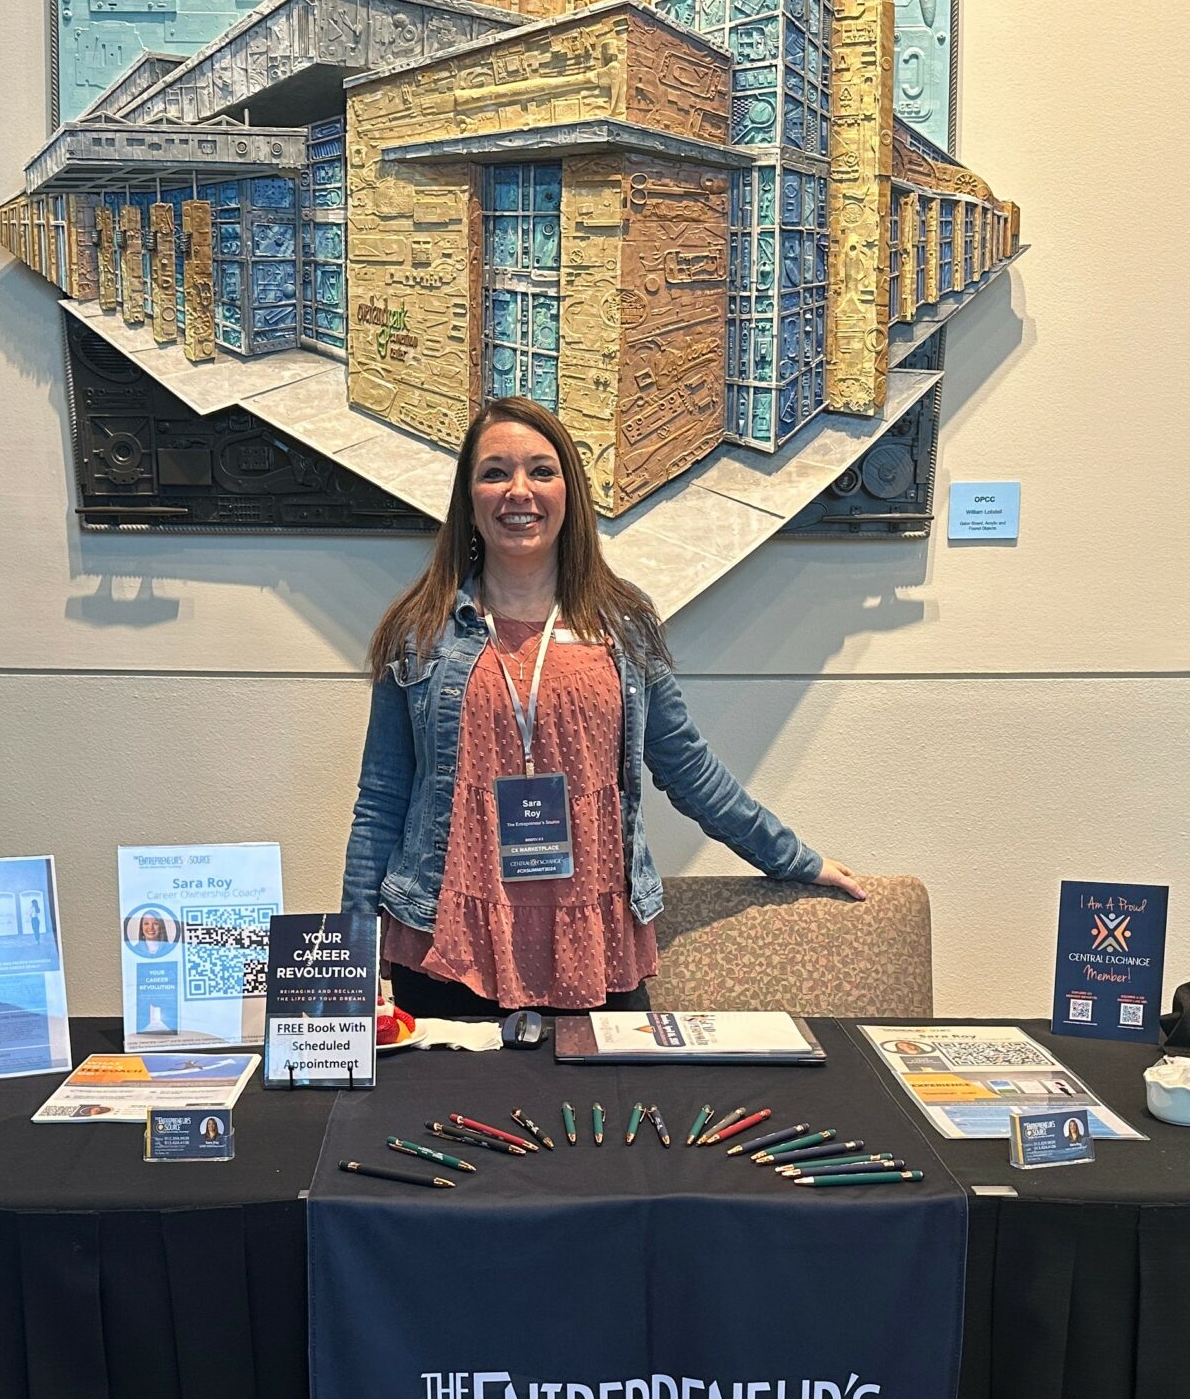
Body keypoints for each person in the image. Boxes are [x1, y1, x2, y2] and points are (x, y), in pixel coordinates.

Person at [342, 395, 864, 1016]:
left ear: (571, 491)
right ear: (469, 498)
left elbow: (689, 770)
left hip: (594, 942)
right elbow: (381, 799)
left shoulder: (623, 624)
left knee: (602, 1116)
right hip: (446, 946)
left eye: (541, 470)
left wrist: (793, 858)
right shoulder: (420, 629)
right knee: (444, 1114)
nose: (519, 491)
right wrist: (350, 959)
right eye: (494, 472)